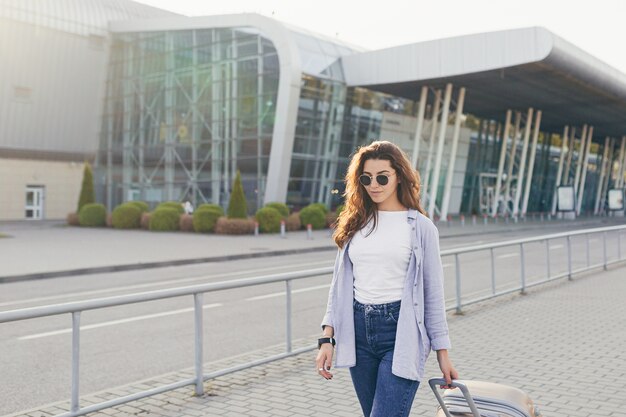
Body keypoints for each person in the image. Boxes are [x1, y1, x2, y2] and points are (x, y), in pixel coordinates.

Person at [315, 140, 458, 417]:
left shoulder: (420, 228)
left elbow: (433, 295)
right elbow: (338, 287)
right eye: (366, 178)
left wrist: (443, 355)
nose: (374, 185)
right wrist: (326, 339)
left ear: (399, 177)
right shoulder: (355, 223)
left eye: (382, 177)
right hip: (357, 332)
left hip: (400, 333)